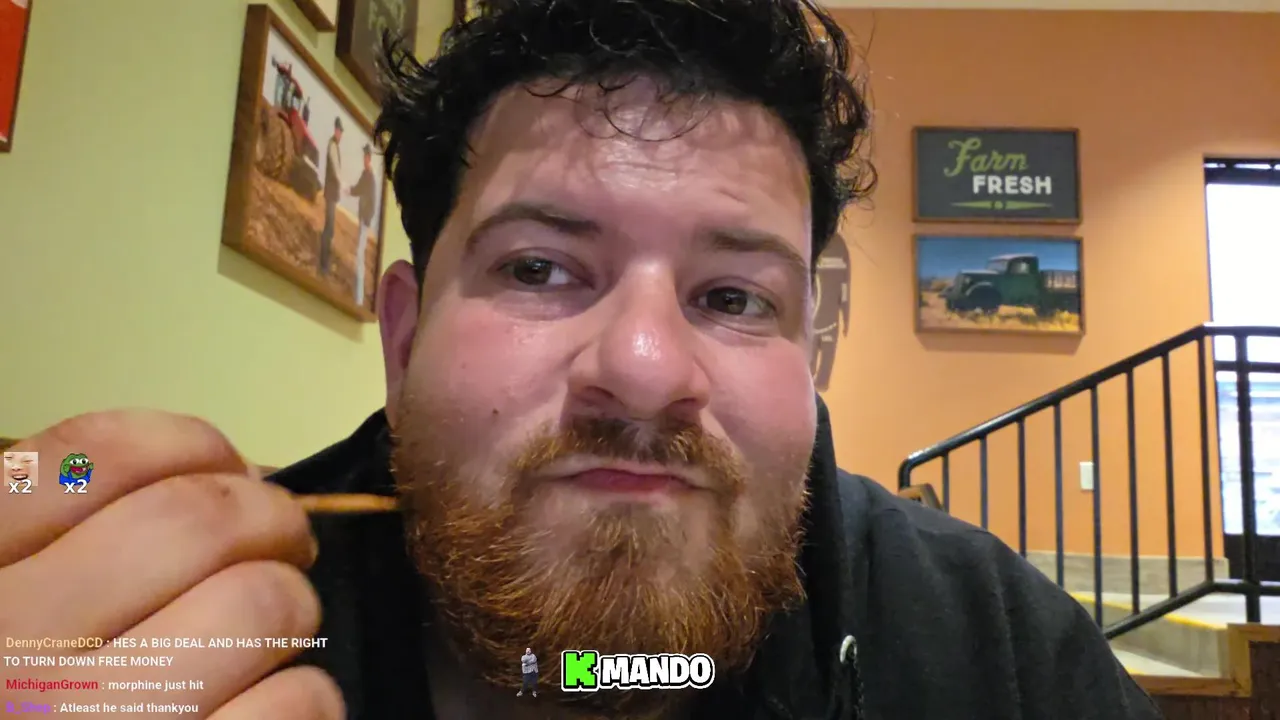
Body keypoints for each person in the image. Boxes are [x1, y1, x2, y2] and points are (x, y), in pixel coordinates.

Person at [2, 1, 1165, 719]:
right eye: (538, 269)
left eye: (731, 296)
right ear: (402, 338)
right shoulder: (190, 640)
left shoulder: (991, 650)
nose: (647, 368)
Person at [347, 144, 378, 305]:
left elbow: (372, 202)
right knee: (359, 254)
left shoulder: (370, 177)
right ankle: (357, 293)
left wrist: (367, 219)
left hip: (365, 220)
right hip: (363, 219)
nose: (364, 159)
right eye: (363, 157)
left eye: (366, 157)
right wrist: (349, 190)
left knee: (360, 254)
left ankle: (359, 297)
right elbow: (358, 189)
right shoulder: (366, 174)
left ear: (369, 158)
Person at [318, 115, 343, 276]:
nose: (340, 134)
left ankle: (325, 262)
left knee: (330, 228)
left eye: (341, 132)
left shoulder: (335, 145)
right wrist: (344, 186)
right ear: (336, 130)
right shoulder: (332, 145)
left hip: (332, 193)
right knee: (329, 229)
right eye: (339, 131)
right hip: (331, 193)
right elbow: (335, 169)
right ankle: (324, 265)